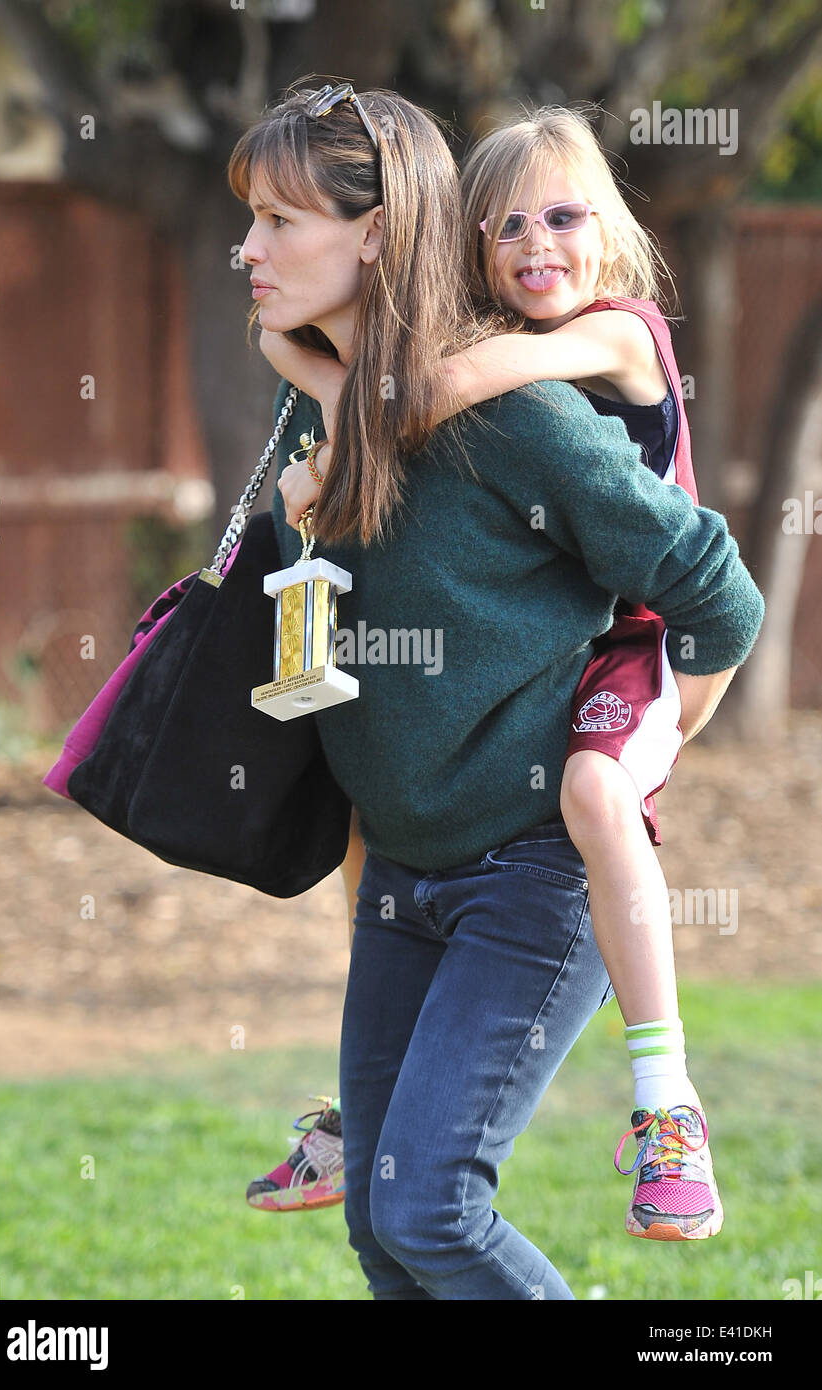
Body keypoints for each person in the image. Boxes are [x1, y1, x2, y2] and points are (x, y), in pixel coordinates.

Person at [233, 81, 764, 1298]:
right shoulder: (317, 398)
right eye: (248, 221)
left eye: (277, 220)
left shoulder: (516, 407)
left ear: (373, 232)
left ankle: (664, 1102)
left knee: (428, 1208)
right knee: (381, 1230)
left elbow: (719, 595)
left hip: (527, 873)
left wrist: (648, 743)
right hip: (398, 879)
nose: (248, 249)